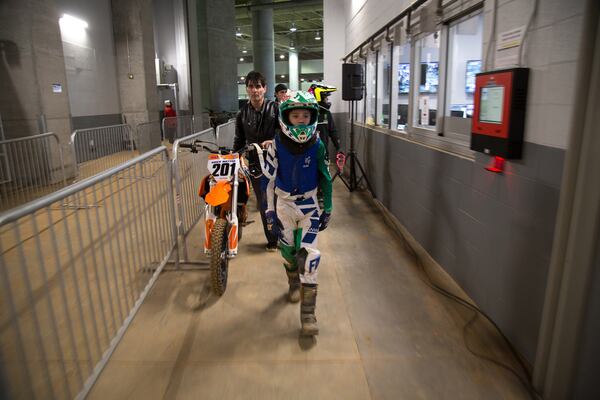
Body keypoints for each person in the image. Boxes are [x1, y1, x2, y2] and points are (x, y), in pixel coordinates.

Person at [263, 90, 333, 336]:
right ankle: (292, 277)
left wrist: (329, 208)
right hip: (284, 205)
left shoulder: (318, 144)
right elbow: (269, 181)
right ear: (286, 118)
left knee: (310, 257)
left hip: (309, 206)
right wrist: (269, 212)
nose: (301, 120)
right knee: (289, 251)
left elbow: (326, 177)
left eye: (306, 115)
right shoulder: (276, 144)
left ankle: (308, 314)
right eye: (296, 116)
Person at [233, 71, 280, 251]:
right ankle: (273, 239)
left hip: (277, 162)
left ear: (265, 89)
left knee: (280, 202)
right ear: (247, 89)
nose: (255, 90)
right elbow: (238, 141)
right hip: (255, 165)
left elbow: (284, 133)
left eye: (258, 86)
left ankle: (285, 236)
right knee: (264, 203)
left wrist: (274, 141)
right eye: (251, 86)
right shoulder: (242, 114)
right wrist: (236, 159)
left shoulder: (275, 108)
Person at [308, 83, 340, 159]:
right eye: (326, 97)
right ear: (319, 98)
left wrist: (338, 146)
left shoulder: (326, 113)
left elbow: (333, 131)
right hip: (308, 153)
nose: (327, 100)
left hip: (324, 152)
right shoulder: (307, 114)